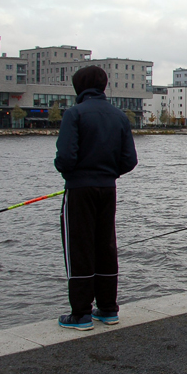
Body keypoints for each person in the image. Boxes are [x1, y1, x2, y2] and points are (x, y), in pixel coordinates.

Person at [54, 66, 138, 330]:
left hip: (79, 189)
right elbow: (129, 160)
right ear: (103, 85)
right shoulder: (119, 117)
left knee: (79, 247)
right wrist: (108, 173)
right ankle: (108, 308)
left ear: (79, 87)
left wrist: (71, 173)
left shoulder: (74, 114)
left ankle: (80, 313)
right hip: (108, 188)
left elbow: (65, 158)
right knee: (106, 245)